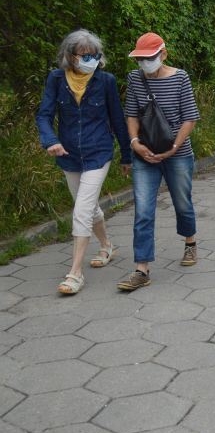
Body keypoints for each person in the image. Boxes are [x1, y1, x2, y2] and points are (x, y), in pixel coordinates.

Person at [36, 30, 133, 295]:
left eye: (95, 56)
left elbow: (117, 119)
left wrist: (126, 155)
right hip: (68, 154)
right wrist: (50, 140)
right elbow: (43, 115)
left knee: (81, 209)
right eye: (85, 55)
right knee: (88, 207)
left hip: (98, 152)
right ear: (70, 56)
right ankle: (107, 246)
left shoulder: (106, 81)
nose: (92, 60)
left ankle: (75, 273)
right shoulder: (56, 79)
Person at [119, 32, 201, 291]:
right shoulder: (135, 79)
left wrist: (174, 147)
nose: (145, 63)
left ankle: (190, 243)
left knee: (182, 202)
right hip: (144, 152)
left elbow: (190, 117)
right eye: (140, 59)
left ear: (163, 54)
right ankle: (141, 269)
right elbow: (131, 114)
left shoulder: (180, 78)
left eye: (150, 58)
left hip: (177, 153)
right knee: (143, 210)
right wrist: (134, 143)